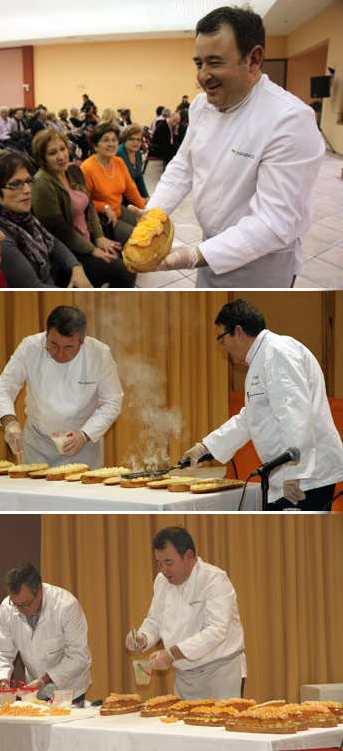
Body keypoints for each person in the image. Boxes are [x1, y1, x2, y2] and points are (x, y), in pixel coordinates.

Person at [141, 6, 325, 288]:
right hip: (211, 245)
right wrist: (152, 215)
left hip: (261, 264)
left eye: (214, 62)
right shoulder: (202, 105)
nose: (202, 76)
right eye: (198, 63)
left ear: (253, 59)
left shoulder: (289, 120)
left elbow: (272, 224)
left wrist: (191, 256)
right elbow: (182, 167)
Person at [184, 299, 343, 510]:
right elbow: (250, 417)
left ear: (239, 332)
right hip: (291, 475)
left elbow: (294, 412)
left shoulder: (277, 351)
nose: (222, 348)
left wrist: (295, 473)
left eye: (221, 339)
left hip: (306, 478)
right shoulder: (262, 357)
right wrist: (205, 447)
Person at [0, 305, 123, 468]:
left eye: (68, 347)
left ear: (83, 340)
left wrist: (84, 436)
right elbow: (4, 387)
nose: (60, 354)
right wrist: (10, 423)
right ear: (46, 335)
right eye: (54, 345)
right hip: (38, 446)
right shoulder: (30, 347)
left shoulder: (99, 354)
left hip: (83, 446)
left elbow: (112, 402)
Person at [126, 527, 245, 700]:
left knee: (218, 725)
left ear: (188, 556)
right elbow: (155, 620)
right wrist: (143, 637)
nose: (164, 570)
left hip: (220, 672)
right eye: (159, 564)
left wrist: (172, 654)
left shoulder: (214, 579)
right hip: (184, 675)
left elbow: (217, 631)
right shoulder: (161, 581)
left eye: (169, 563)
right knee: (183, 725)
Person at [31, 129, 135, 287]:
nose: (61, 156)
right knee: (124, 271)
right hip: (68, 254)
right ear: (42, 158)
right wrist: (92, 250)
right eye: (52, 153)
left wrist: (99, 236)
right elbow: (59, 232)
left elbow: (90, 205)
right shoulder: (42, 184)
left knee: (127, 255)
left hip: (88, 238)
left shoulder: (73, 170)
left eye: (63, 149)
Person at [0, 151, 92, 288]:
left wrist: (76, 268)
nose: (27, 189)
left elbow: (53, 243)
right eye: (16, 184)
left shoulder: (21, 216)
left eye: (28, 181)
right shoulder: (0, 237)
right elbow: (34, 287)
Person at [0, 563, 92, 704]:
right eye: (16, 604)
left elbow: (78, 655)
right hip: (34, 692)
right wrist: (3, 681)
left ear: (39, 593)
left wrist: (43, 681)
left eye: (26, 604)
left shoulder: (66, 605)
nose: (20, 609)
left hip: (70, 689)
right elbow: (3, 651)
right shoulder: (7, 607)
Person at [81, 122, 145, 244]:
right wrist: (104, 207)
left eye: (114, 140)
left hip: (118, 209)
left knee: (145, 227)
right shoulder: (87, 168)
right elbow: (82, 202)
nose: (111, 144)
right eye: (106, 140)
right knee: (138, 239)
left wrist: (144, 210)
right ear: (95, 145)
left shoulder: (118, 162)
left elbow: (130, 190)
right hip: (102, 218)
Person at [116, 124, 149, 203]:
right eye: (132, 139)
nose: (136, 142)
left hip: (130, 193)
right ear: (125, 139)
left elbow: (139, 177)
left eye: (139, 140)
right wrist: (139, 200)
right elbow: (121, 184)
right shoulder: (118, 153)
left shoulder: (137, 153)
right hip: (119, 197)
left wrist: (146, 196)